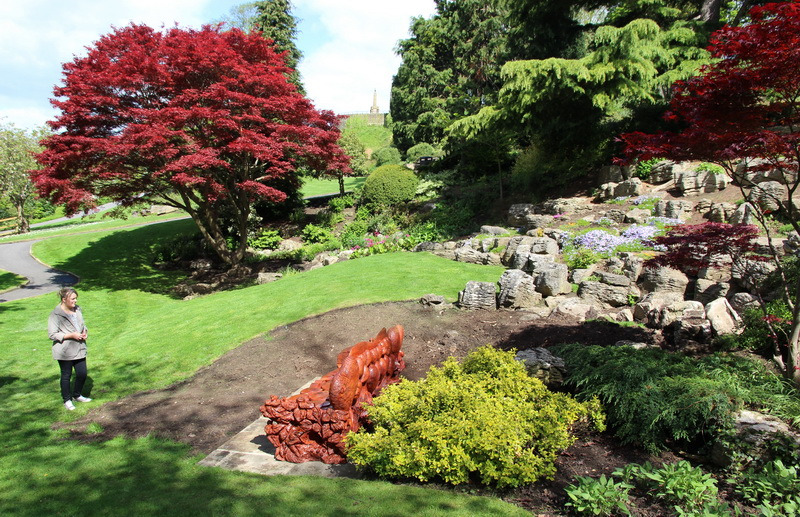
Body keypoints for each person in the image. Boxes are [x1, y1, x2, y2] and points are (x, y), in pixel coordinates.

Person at [48, 287, 92, 410]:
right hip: (64, 351)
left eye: (76, 298)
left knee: (82, 373)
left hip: (79, 348)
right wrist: (70, 335)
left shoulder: (77, 310)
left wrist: (84, 332)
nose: (75, 301)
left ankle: (77, 395)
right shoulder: (55, 314)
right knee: (66, 375)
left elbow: (82, 324)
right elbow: (52, 334)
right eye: (72, 299)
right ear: (64, 300)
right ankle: (67, 400)